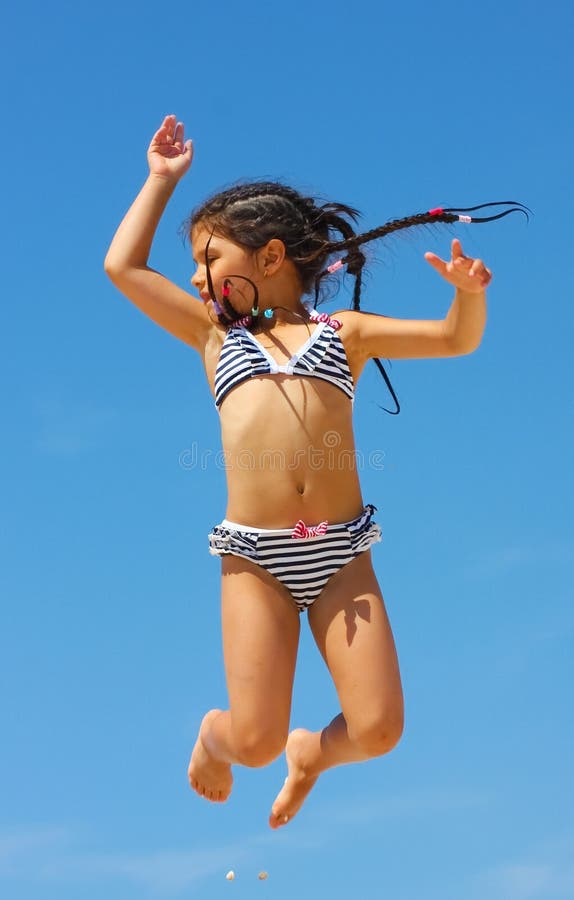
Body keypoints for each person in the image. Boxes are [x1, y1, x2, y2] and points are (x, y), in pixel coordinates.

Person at [105, 114, 524, 829]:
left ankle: (315, 757)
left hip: (340, 552)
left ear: (270, 257)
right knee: (252, 740)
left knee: (380, 729)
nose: (197, 278)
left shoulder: (344, 336)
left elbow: (456, 339)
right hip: (257, 557)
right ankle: (215, 736)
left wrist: (470, 296)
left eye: (209, 260)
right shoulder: (214, 337)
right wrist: (160, 181)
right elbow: (123, 268)